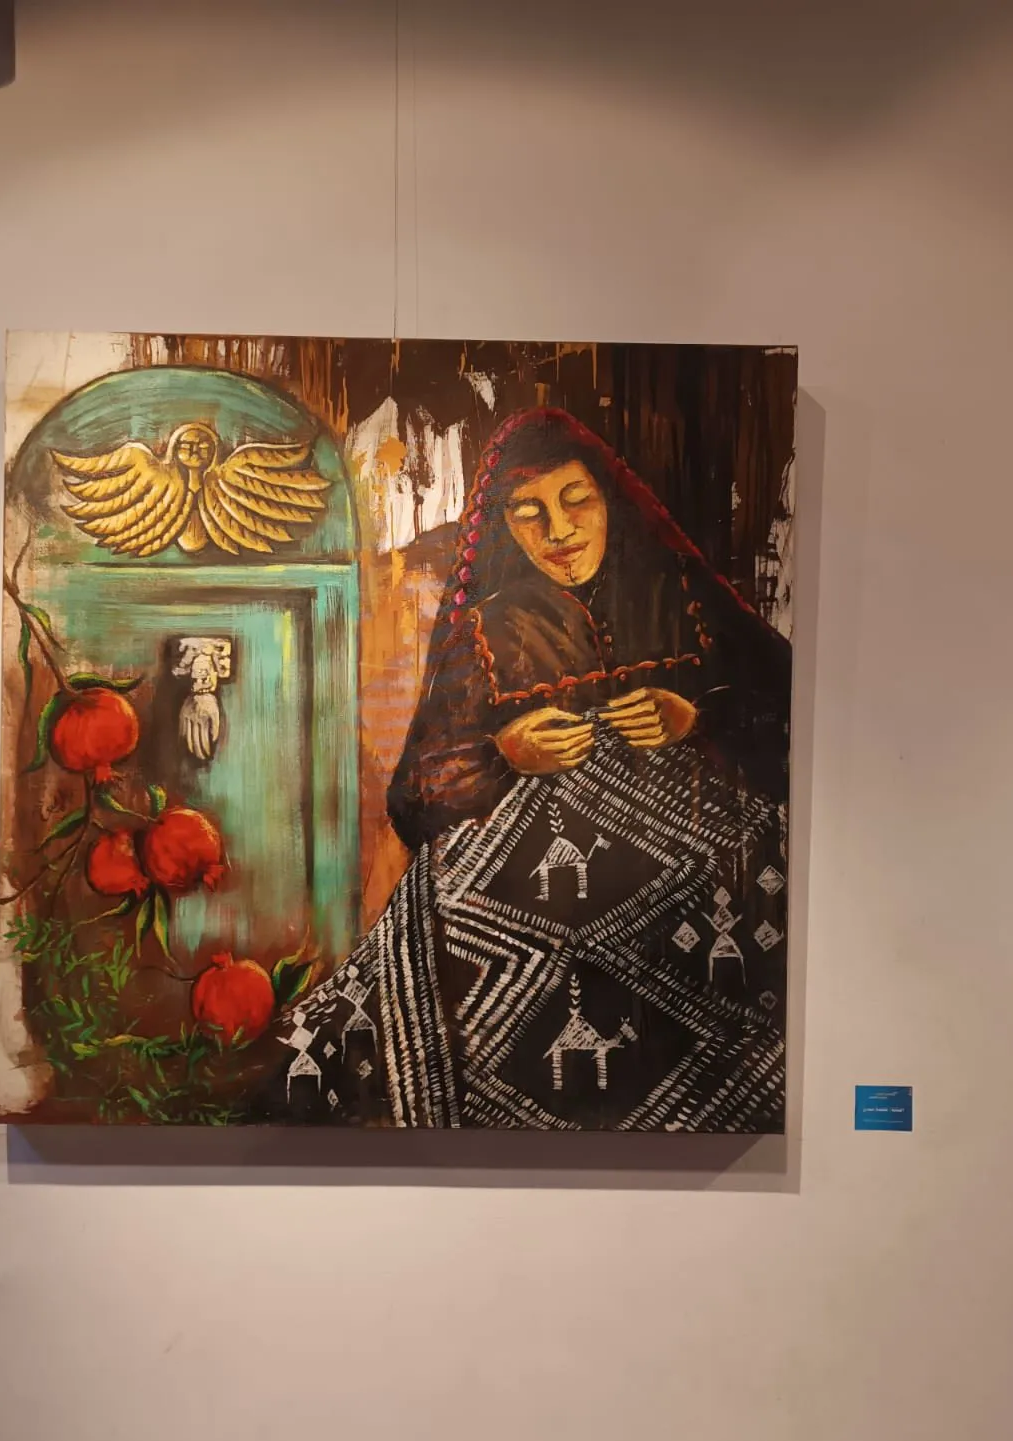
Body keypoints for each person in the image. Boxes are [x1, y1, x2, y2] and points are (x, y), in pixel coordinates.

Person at [267, 408, 792, 1132]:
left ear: (610, 501)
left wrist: (695, 717)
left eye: (576, 501)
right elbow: (416, 797)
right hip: (525, 919)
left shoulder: (682, 596)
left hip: (699, 903)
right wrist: (503, 756)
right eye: (529, 513)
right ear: (504, 526)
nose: (559, 531)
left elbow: (791, 726)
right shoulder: (487, 628)